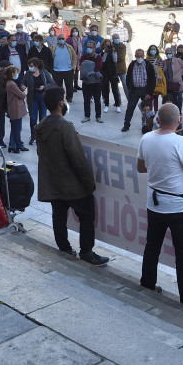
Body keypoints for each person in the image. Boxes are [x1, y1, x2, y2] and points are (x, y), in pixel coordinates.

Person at [136, 103, 183, 315]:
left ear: (158, 119)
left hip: (154, 203)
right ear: (179, 120)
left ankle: (147, 283)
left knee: (152, 246)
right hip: (178, 207)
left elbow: (141, 168)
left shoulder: (147, 138)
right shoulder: (181, 143)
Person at [34, 86, 110, 266]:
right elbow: (78, 158)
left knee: (58, 216)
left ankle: (64, 247)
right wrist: (88, 183)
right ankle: (87, 252)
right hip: (71, 184)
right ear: (61, 104)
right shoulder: (64, 127)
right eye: (65, 100)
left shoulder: (40, 126)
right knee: (86, 215)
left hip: (53, 182)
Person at [122, 49, 156, 132]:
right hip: (134, 91)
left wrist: (149, 93)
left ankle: (148, 126)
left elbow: (153, 80)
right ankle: (126, 125)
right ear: (135, 56)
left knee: (147, 110)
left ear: (144, 56)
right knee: (130, 108)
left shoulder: (148, 65)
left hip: (145, 91)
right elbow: (128, 77)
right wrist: (130, 88)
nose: (140, 57)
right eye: (138, 56)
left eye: (141, 56)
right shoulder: (132, 64)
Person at [26, 58, 54, 145]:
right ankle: (33, 136)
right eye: (29, 66)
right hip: (33, 98)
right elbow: (24, 82)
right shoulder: (28, 74)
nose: (30, 68)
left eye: (31, 66)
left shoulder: (44, 73)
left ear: (36, 66)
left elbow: (52, 83)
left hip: (42, 97)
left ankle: (42, 136)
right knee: (33, 117)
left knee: (43, 117)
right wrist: (23, 86)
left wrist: (44, 87)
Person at [5, 65, 28, 153]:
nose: (17, 74)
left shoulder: (11, 82)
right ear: (12, 74)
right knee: (16, 128)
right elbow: (22, 95)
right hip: (15, 108)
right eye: (16, 73)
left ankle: (14, 144)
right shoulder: (12, 84)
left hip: (15, 107)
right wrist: (24, 91)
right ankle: (17, 145)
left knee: (16, 127)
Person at [79, 44, 104, 123]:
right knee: (86, 100)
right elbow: (81, 67)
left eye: (90, 47)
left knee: (97, 100)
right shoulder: (84, 57)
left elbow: (98, 67)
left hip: (96, 82)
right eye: (88, 47)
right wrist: (91, 69)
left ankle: (98, 116)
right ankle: (87, 116)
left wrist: (88, 69)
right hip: (86, 82)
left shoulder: (98, 57)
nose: (88, 48)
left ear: (94, 48)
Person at [51, 34, 77, 102]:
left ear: (65, 39)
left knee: (69, 85)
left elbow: (74, 57)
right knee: (58, 87)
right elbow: (50, 58)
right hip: (57, 70)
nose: (61, 40)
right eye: (60, 39)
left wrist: (73, 67)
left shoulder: (69, 47)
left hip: (68, 70)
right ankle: (59, 98)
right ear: (57, 40)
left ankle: (69, 97)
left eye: (62, 38)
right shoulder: (53, 47)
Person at [100, 39, 122, 113]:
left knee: (115, 89)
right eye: (106, 45)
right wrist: (106, 52)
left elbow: (115, 60)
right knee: (106, 89)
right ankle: (106, 104)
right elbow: (103, 61)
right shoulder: (102, 54)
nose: (108, 47)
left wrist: (112, 51)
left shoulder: (114, 52)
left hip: (113, 73)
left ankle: (118, 105)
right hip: (105, 73)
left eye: (109, 45)